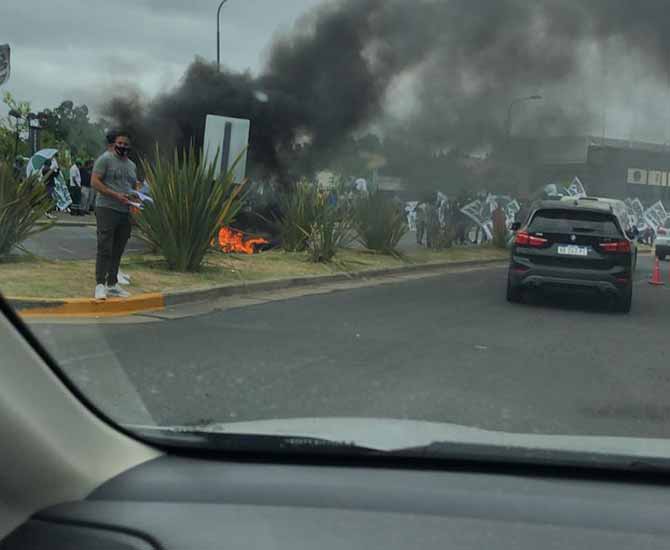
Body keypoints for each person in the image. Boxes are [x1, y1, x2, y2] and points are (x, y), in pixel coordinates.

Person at [91, 130, 138, 300]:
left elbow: (131, 187)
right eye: (120, 143)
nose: (123, 147)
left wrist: (135, 197)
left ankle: (112, 284)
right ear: (115, 143)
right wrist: (115, 195)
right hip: (106, 208)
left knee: (118, 248)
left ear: (129, 146)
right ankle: (100, 285)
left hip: (124, 211)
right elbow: (94, 181)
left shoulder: (132, 166)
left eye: (126, 144)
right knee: (105, 247)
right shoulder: (105, 159)